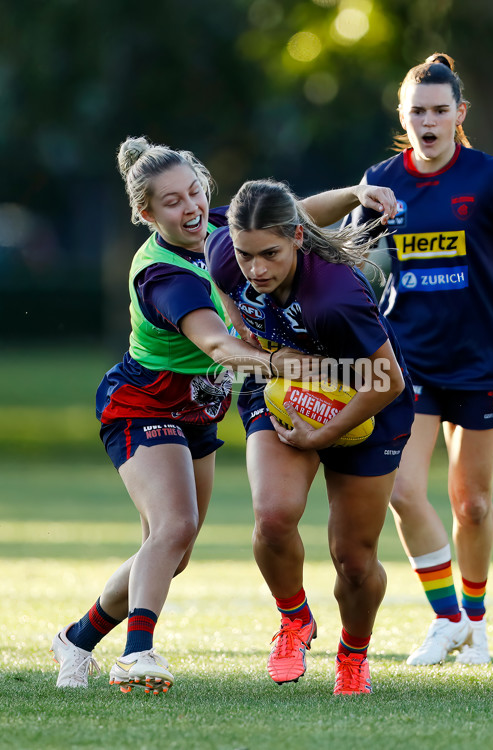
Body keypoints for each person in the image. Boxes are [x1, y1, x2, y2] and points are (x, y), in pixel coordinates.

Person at [50, 136, 399, 694]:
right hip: (146, 403)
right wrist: (283, 362)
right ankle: (139, 653)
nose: (190, 207)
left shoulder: (223, 230)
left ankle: (77, 639)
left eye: (195, 192)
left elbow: (295, 218)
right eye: (171, 202)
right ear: (146, 214)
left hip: (200, 410)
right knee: (176, 529)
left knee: (170, 553)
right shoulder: (164, 275)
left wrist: (357, 192)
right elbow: (219, 345)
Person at [344, 52, 493, 666]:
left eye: (439, 110)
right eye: (417, 110)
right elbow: (343, 259)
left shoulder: (490, 176)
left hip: (480, 361)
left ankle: (475, 621)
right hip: (408, 364)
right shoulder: (381, 181)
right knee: (401, 489)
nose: (428, 120)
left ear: (459, 114)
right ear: (403, 114)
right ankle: (447, 619)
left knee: (471, 503)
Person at [205, 178, 415, 695]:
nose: (256, 270)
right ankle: (295, 620)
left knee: (355, 560)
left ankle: (353, 654)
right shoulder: (224, 254)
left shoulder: (334, 298)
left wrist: (320, 433)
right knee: (273, 516)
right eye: (245, 254)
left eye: (270, 255)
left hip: (367, 398)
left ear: (298, 239)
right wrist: (240, 324)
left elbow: (388, 381)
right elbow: (235, 289)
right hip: (282, 388)